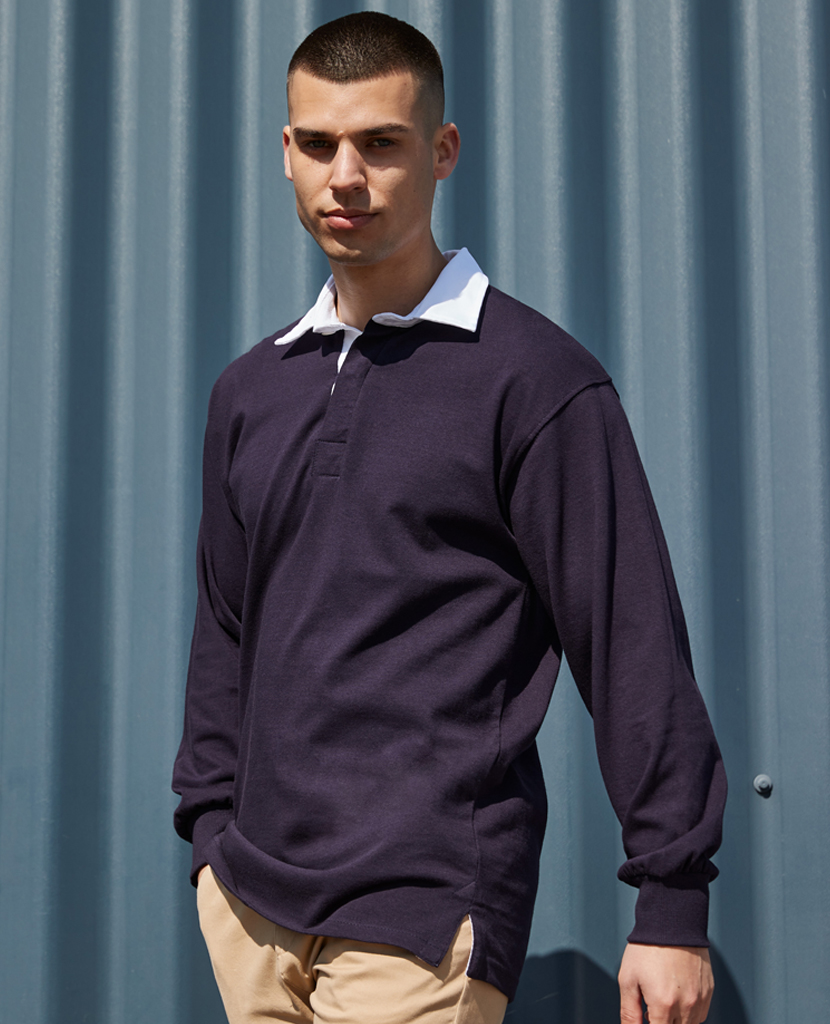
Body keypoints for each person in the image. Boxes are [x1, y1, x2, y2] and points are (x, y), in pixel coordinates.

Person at [172, 12, 726, 1024]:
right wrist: (209, 832)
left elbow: (629, 639)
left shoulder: (533, 379)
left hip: (424, 911)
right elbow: (226, 629)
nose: (346, 177)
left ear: (441, 150)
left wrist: (671, 900)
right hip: (252, 909)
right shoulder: (252, 390)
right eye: (319, 144)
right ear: (285, 152)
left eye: (380, 143)